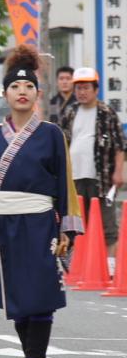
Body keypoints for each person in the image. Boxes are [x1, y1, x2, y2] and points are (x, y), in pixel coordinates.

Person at [0, 44, 82, 358]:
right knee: (15, 295)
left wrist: (67, 224)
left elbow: (64, 182)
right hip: (2, 223)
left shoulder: (51, 133)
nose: (22, 92)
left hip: (38, 222)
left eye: (29, 87)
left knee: (38, 291)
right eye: (15, 87)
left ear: (38, 94)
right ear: (5, 94)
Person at [60, 67, 125, 271]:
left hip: (102, 178)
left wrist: (118, 172)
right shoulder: (70, 112)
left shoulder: (107, 113)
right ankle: (81, 265)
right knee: (78, 223)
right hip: (75, 177)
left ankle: (110, 265)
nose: (82, 92)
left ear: (96, 89)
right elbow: (62, 143)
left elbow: (119, 145)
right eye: (78, 88)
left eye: (86, 87)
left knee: (106, 223)